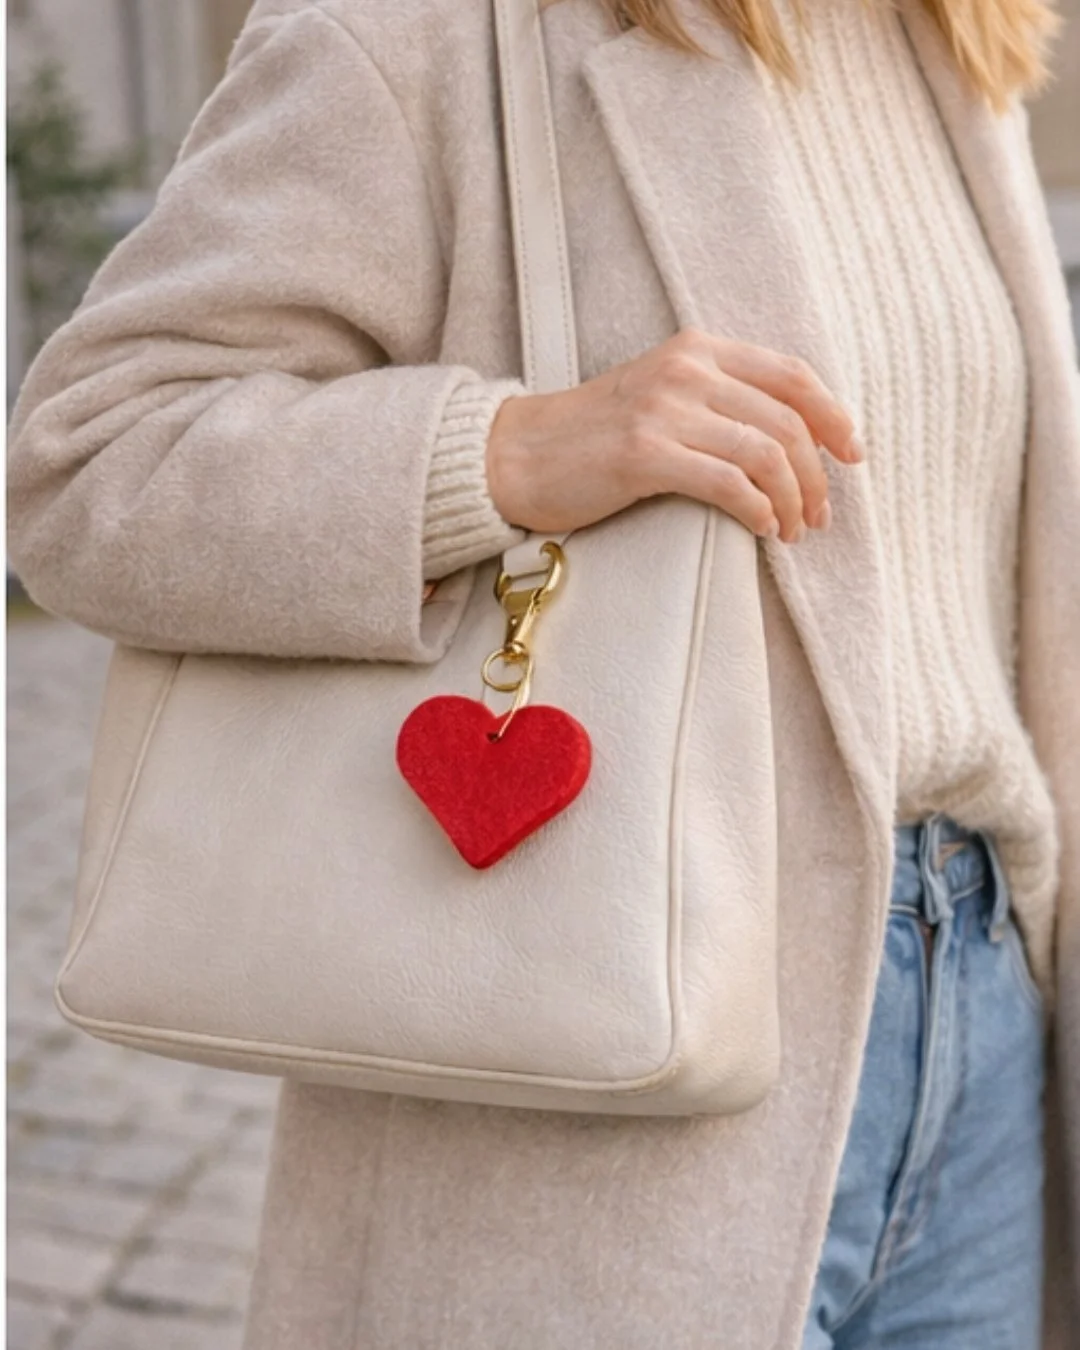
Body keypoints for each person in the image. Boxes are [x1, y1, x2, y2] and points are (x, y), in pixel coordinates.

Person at [7, 0, 1079, 1346]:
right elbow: (90, 462)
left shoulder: (953, 34)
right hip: (600, 1075)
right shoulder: (425, 30)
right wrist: (506, 452)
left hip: (980, 1021)